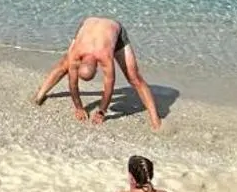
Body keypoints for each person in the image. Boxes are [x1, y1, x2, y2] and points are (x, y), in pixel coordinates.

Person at [32, 15, 161, 129]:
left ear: (98, 66)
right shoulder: (76, 54)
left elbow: (109, 86)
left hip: (114, 29)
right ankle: (39, 96)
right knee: (64, 64)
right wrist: (78, 107)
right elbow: (72, 84)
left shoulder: (105, 57)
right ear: (80, 62)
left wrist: (101, 111)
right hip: (87, 25)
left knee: (134, 77)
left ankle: (156, 121)